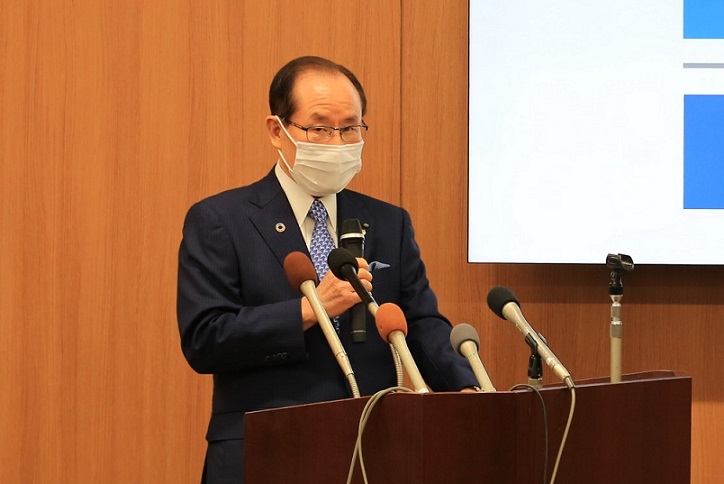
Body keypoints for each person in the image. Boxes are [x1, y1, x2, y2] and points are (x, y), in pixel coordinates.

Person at [177, 55, 478, 484]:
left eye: (350, 129)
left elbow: (420, 322)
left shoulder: (388, 222)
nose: (337, 143)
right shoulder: (221, 220)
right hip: (265, 450)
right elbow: (205, 339)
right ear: (277, 131)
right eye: (319, 129)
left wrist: (467, 389)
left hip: (372, 449)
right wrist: (312, 308)